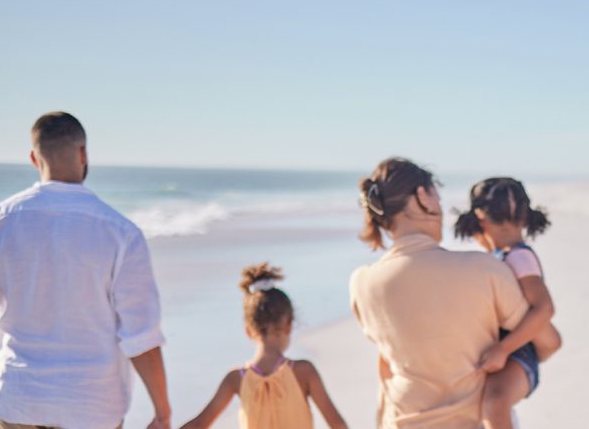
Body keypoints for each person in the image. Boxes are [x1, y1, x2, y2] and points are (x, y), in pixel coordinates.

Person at [0, 111, 171, 429]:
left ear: (34, 157)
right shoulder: (120, 232)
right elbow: (141, 335)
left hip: (20, 401)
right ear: (83, 153)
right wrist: (162, 413)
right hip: (94, 407)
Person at [348, 158, 530, 429]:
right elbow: (543, 339)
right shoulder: (485, 269)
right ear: (423, 197)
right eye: (437, 196)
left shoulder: (361, 282)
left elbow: (385, 364)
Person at [179, 263, 348, 429]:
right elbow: (337, 424)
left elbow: (199, 424)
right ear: (289, 326)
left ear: (248, 331)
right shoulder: (304, 371)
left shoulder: (235, 379)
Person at [453, 177, 564, 429]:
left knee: (496, 402)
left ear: (479, 217)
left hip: (517, 350)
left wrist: (503, 349)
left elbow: (545, 308)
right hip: (501, 345)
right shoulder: (499, 255)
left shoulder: (519, 256)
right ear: (525, 217)